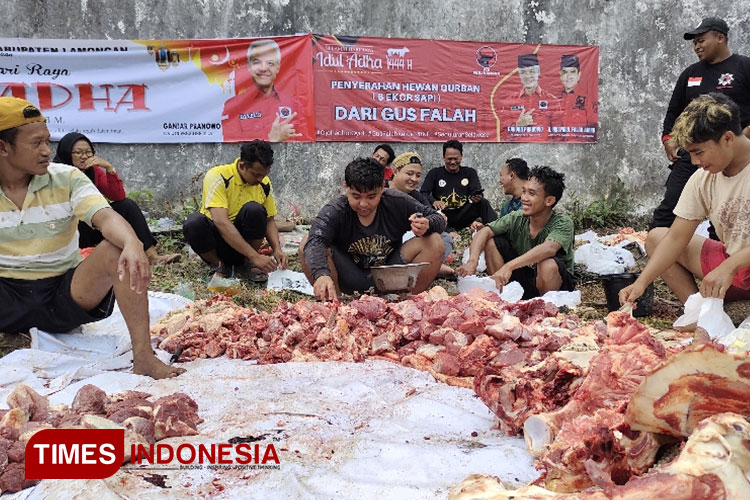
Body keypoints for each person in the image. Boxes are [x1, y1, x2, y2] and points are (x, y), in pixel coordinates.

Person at [0, 97, 183, 379]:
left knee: (115, 250)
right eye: (36, 143)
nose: (47, 151)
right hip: (6, 294)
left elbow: (106, 217)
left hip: (63, 294)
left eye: (47, 141)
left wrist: (133, 243)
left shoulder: (66, 177)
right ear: (3, 147)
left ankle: (144, 357)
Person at [620, 93, 750, 309]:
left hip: (734, 265)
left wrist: (730, 266)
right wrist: (641, 282)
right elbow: (676, 238)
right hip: (734, 267)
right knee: (657, 237)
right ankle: (697, 312)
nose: (694, 161)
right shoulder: (704, 177)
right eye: (690, 153)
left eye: (698, 152)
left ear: (727, 138)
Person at [651, 17, 750, 231]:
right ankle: (659, 251)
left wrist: (745, 134)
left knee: (726, 211)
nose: (697, 46)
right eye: (694, 42)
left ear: (720, 37)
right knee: (670, 207)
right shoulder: (690, 73)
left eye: (701, 40)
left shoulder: (744, 66)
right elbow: (674, 111)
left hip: (733, 154)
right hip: (694, 152)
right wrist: (668, 139)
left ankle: (724, 257)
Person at [300, 157, 445, 300]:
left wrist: (427, 224)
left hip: (388, 273)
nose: (363, 204)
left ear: (382, 188)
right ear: (346, 187)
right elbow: (315, 240)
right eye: (356, 196)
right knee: (307, 243)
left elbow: (438, 219)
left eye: (371, 197)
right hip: (350, 276)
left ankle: (405, 306)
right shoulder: (335, 210)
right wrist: (322, 274)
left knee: (434, 241)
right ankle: (336, 306)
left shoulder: (397, 202)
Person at [53, 132, 181, 265]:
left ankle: (152, 256)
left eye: (88, 152)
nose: (84, 157)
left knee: (127, 206)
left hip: (93, 225)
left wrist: (109, 168)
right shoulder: (56, 173)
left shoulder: (93, 171)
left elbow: (118, 196)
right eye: (78, 153)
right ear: (67, 153)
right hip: (69, 230)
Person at [458, 166, 575, 300]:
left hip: (556, 287)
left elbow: (548, 248)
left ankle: (545, 311)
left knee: (547, 264)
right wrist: (473, 260)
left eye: (531, 194)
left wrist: (509, 266)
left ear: (549, 201)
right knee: (492, 241)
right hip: (525, 281)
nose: (524, 198)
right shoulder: (516, 217)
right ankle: (503, 298)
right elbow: (484, 232)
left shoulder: (563, 222)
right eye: (523, 191)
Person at [183, 139, 287, 283]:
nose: (260, 179)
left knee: (255, 210)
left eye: (264, 174)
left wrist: (277, 249)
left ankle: (246, 263)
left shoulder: (264, 183)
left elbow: (269, 220)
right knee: (193, 222)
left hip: (245, 247)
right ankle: (220, 265)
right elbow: (221, 222)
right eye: (256, 174)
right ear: (242, 165)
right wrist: (255, 256)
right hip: (218, 242)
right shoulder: (218, 176)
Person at [221, 39, 302, 143]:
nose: (263, 68)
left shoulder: (293, 106)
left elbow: (299, 147)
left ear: (278, 67)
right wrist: (272, 140)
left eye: (270, 63)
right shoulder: (233, 106)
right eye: (257, 62)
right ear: (249, 66)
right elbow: (232, 149)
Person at [389, 151, 455, 278]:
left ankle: (429, 267)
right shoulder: (380, 192)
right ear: (395, 171)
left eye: (418, 175)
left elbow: (433, 216)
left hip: (411, 243)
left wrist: (431, 222)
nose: (414, 179)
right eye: (409, 173)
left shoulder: (417, 197)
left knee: (444, 238)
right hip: (386, 243)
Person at [420, 139, 497, 230]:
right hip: (442, 215)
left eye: (455, 158)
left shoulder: (470, 172)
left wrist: (477, 197)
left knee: (483, 202)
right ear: (443, 157)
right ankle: (446, 230)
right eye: (449, 159)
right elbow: (423, 193)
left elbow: (476, 191)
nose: (453, 162)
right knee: (426, 205)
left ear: (461, 157)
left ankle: (496, 229)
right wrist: (434, 201)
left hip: (463, 214)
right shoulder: (434, 173)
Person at [501, 54, 560, 141]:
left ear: (538, 72)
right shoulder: (509, 101)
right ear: (519, 74)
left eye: (532, 71)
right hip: (517, 152)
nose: (527, 76)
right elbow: (503, 137)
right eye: (523, 72)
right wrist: (517, 125)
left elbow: (559, 135)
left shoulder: (552, 101)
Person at [555, 54, 597, 140]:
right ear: (560, 74)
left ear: (579, 75)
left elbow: (594, 132)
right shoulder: (553, 99)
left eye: (572, 72)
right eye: (565, 72)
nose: (568, 76)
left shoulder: (588, 100)